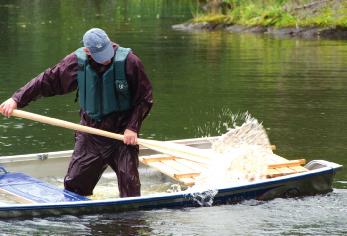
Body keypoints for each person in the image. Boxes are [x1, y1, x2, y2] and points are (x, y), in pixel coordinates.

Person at [0, 28, 153, 198]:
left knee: (131, 190)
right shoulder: (76, 62)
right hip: (90, 133)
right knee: (73, 189)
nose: (107, 59)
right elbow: (47, 80)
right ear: (87, 51)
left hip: (122, 135)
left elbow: (145, 98)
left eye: (107, 53)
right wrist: (16, 99)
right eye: (101, 56)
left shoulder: (130, 62)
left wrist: (132, 127)